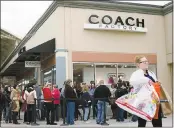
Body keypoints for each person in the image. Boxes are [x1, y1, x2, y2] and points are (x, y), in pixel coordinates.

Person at [129, 55, 162, 127]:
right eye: (144, 62)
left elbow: (154, 84)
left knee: (157, 122)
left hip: (154, 100)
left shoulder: (151, 73)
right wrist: (145, 80)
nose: (146, 63)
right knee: (142, 123)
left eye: (147, 61)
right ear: (138, 64)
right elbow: (132, 82)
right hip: (143, 102)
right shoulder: (136, 74)